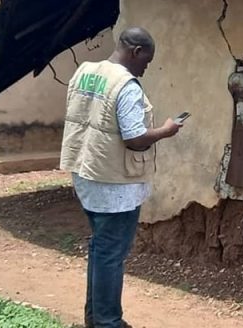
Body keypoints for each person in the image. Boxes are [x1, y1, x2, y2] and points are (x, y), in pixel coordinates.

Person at [60, 27, 182, 328]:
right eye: (147, 61)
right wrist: (166, 130)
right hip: (114, 184)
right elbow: (135, 139)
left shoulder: (84, 72)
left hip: (86, 173)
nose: (146, 67)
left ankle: (96, 317)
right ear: (136, 51)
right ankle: (107, 322)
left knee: (100, 248)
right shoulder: (127, 86)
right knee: (110, 254)